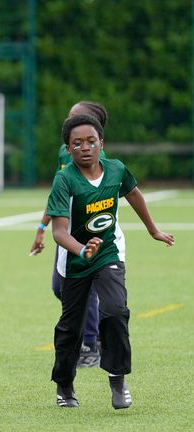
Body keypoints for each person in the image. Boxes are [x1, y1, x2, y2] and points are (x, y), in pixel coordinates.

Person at [47, 114, 174, 410]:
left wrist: (153, 229)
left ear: (102, 144)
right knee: (71, 328)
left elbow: (133, 193)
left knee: (115, 311)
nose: (85, 147)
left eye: (91, 141)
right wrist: (81, 250)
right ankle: (65, 385)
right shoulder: (64, 180)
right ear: (68, 149)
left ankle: (117, 379)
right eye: (76, 143)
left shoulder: (116, 169)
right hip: (76, 261)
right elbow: (59, 232)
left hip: (108, 252)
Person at [31, 101, 110, 368]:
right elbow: (57, 195)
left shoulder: (99, 159)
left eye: (75, 116)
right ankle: (95, 335)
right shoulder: (65, 153)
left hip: (89, 234)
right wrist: (42, 228)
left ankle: (90, 344)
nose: (69, 120)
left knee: (81, 287)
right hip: (66, 232)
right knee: (60, 287)